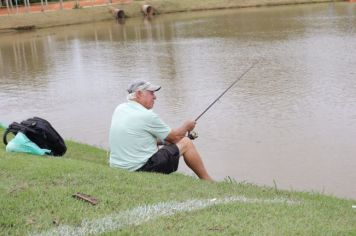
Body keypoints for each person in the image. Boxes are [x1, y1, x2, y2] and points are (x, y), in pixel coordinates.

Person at [109, 80, 212, 181]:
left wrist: (164, 141)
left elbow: (138, 137)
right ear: (139, 94)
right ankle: (207, 181)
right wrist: (186, 126)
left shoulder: (120, 108)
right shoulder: (147, 115)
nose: (155, 97)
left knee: (167, 140)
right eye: (151, 93)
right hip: (140, 169)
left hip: (117, 167)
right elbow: (176, 137)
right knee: (186, 142)